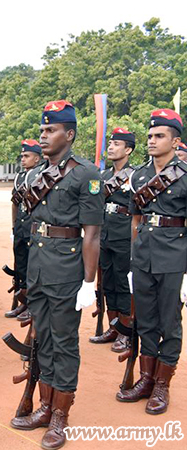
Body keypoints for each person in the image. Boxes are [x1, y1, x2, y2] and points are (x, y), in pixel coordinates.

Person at [10, 101, 103, 450]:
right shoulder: (35, 175)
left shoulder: (86, 174)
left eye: (51, 130)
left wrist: (89, 282)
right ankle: (46, 406)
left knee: (64, 343)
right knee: (44, 339)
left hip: (66, 270)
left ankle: (61, 417)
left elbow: (92, 234)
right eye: (42, 131)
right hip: (38, 267)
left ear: (70, 134)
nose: (44, 136)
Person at [120, 109, 185, 415]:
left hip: (174, 258)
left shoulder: (184, 176)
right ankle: (146, 378)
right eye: (149, 136)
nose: (152, 141)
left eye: (159, 136)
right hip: (144, 256)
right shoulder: (141, 176)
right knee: (145, 319)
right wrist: (135, 256)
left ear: (175, 141)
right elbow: (136, 218)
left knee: (169, 322)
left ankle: (162, 384)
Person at [90, 127, 135, 352]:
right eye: (110, 143)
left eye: (117, 144)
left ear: (128, 149)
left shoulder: (134, 175)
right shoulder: (104, 176)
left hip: (124, 236)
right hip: (104, 235)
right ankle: (113, 328)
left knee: (123, 283)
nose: (111, 147)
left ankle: (126, 332)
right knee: (107, 283)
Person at [5, 140, 43, 319]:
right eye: (22, 156)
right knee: (19, 265)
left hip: (32, 228)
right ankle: (22, 302)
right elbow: (14, 203)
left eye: (27, 156)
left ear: (37, 158)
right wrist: (14, 226)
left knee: (31, 268)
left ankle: (31, 305)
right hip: (20, 227)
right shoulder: (20, 176)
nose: (23, 159)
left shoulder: (41, 175)